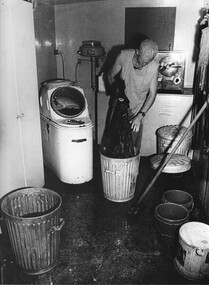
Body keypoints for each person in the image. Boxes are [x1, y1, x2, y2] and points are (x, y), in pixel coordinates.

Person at [107, 39, 159, 153]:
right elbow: (110, 75)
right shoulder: (124, 56)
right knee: (114, 143)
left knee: (132, 147)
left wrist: (140, 116)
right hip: (119, 106)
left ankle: (132, 169)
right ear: (137, 52)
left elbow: (152, 94)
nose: (142, 65)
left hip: (136, 110)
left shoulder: (154, 67)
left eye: (146, 63)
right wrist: (117, 94)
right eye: (141, 61)